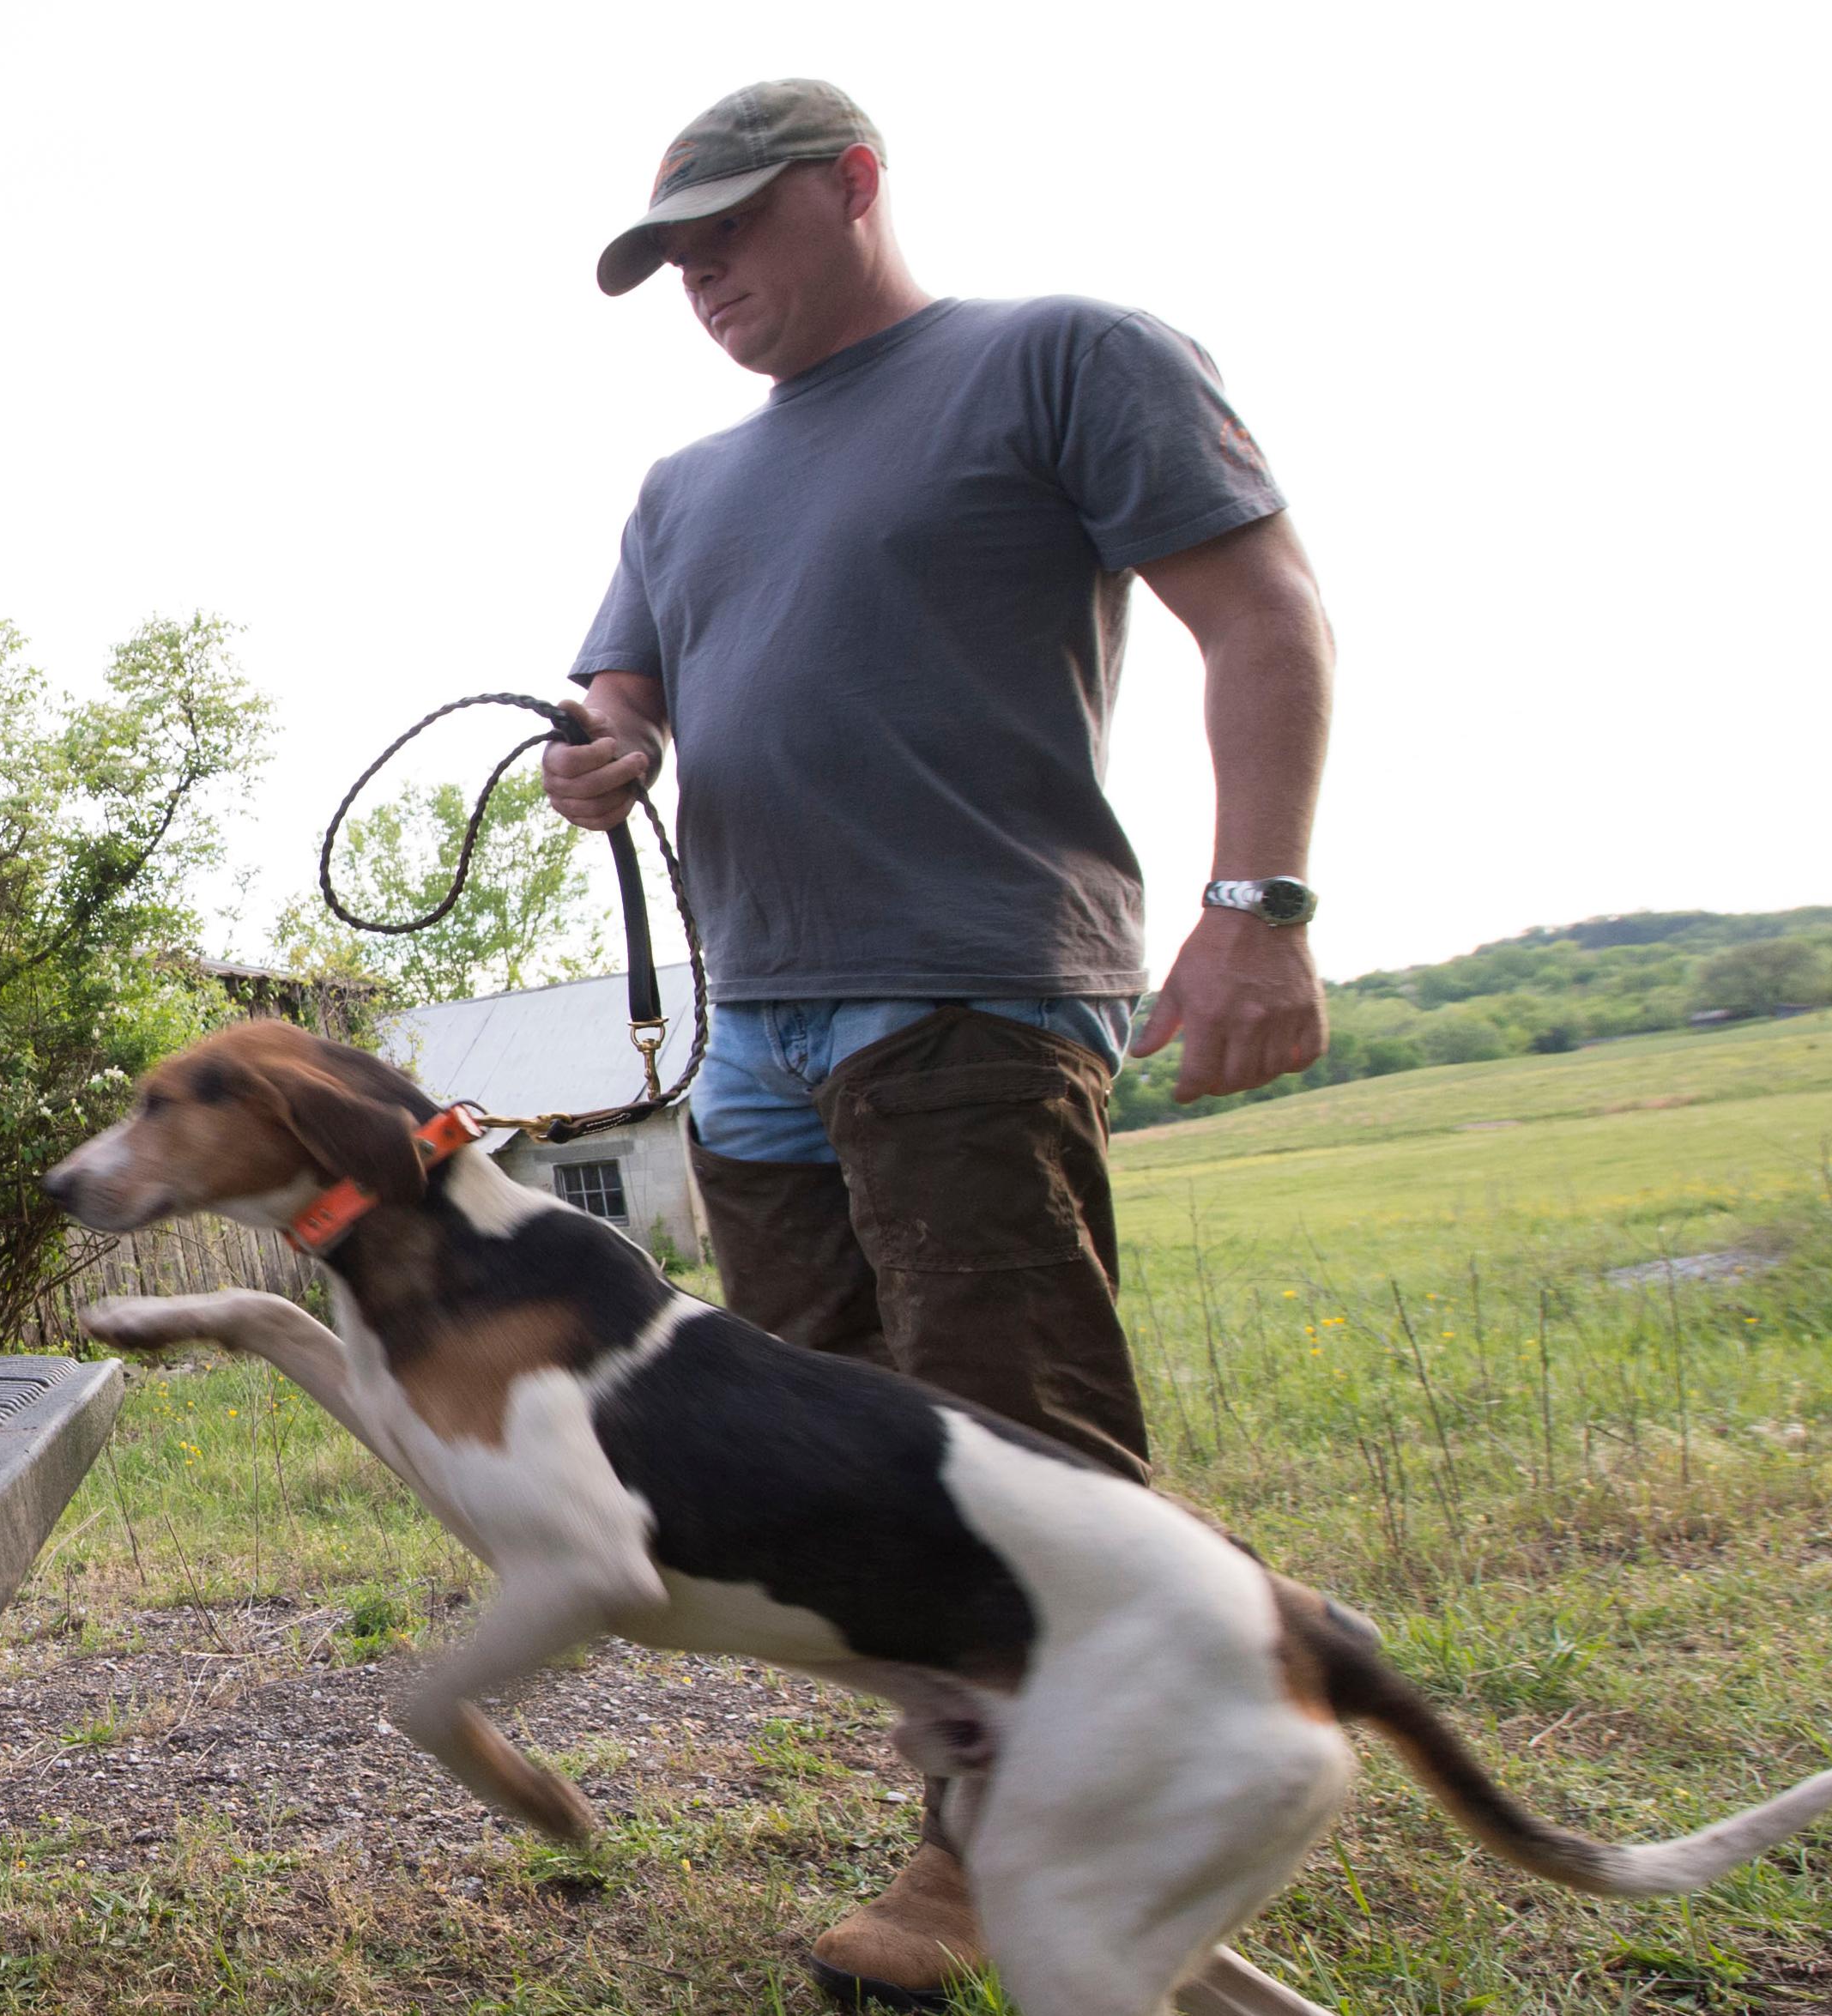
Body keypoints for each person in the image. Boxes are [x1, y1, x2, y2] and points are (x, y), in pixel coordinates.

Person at [543, 78, 1335, 2009]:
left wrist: (1260, 910)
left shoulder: (1062, 359)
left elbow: (1265, 618)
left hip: (968, 985)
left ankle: (992, 1852)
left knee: (1023, 1452)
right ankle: (1220, 1666)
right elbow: (615, 698)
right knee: (854, 1489)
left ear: (854, 185)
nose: (704, 278)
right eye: (672, 259)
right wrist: (602, 752)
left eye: (733, 228)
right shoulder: (680, 485)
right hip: (755, 1033)